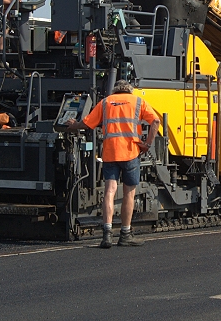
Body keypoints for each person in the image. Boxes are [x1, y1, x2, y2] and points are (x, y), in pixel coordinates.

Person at [63, 80, 161, 248]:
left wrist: (74, 125)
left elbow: (86, 124)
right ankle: (125, 234)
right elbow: (156, 122)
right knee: (129, 194)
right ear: (129, 90)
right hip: (131, 152)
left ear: (115, 90)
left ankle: (107, 235)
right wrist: (148, 143)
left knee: (110, 191)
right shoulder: (138, 101)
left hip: (110, 153)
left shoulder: (106, 102)